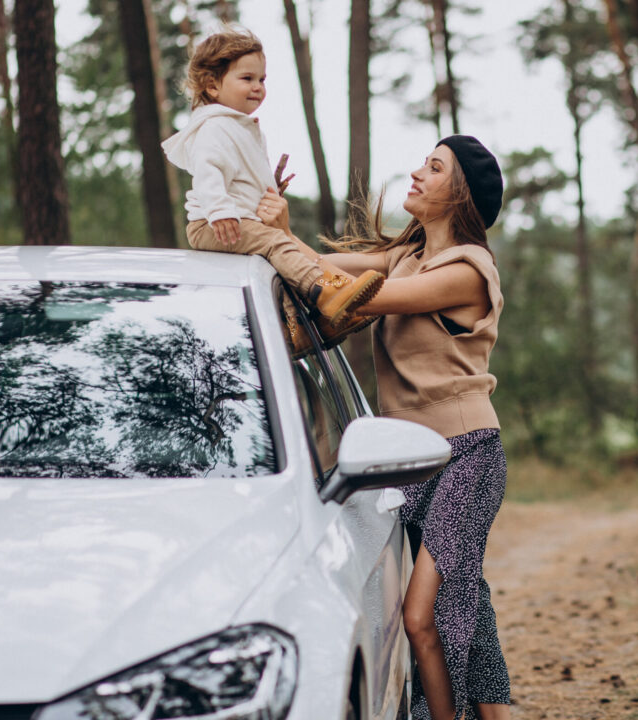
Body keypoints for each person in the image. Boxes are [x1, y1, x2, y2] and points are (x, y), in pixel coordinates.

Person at [258, 135, 512, 720]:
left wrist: (281, 237)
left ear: (460, 194)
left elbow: (355, 299)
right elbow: (310, 267)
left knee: (422, 615)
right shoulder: (406, 257)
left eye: (434, 167)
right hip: (404, 458)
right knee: (466, 603)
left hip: (464, 456)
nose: (418, 173)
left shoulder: (468, 270)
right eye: (424, 162)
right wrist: (269, 218)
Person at [161, 28, 382, 337]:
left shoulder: (243, 128)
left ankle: (300, 329)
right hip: (213, 224)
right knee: (276, 242)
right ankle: (328, 291)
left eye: (262, 80)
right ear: (212, 86)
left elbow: (238, 175)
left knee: (278, 264)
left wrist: (269, 187)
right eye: (247, 79)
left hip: (235, 220)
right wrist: (220, 210)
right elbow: (208, 172)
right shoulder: (214, 127)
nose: (258, 87)